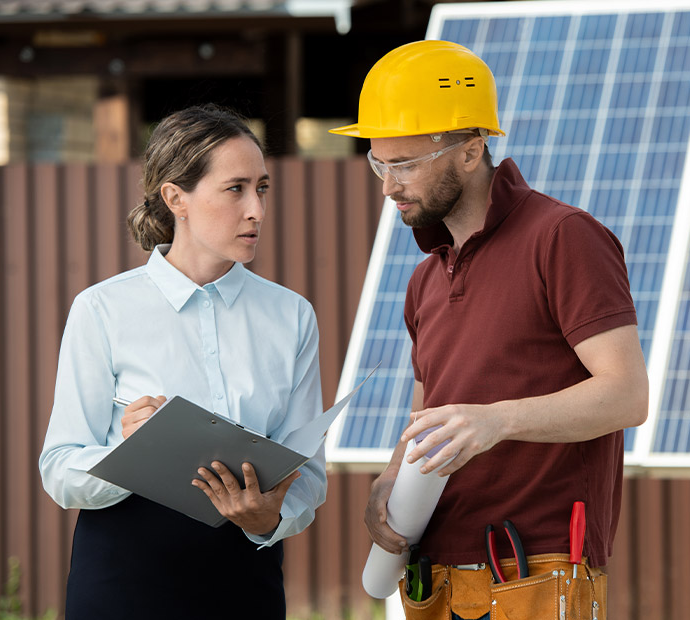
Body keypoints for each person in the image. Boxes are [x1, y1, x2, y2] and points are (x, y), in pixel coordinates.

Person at [330, 41, 649, 620]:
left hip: (537, 566)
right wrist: (390, 477)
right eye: (379, 163)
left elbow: (626, 395)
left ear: (471, 150)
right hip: (434, 575)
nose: (387, 186)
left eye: (403, 164)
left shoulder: (564, 237)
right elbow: (429, 414)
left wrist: (497, 419)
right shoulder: (425, 278)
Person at [39, 103, 326, 620]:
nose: (256, 209)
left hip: (246, 584)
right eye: (235, 188)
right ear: (176, 198)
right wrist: (127, 455)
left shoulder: (292, 316)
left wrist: (266, 521)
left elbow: (308, 477)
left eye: (261, 188)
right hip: (122, 585)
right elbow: (60, 470)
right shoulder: (103, 309)